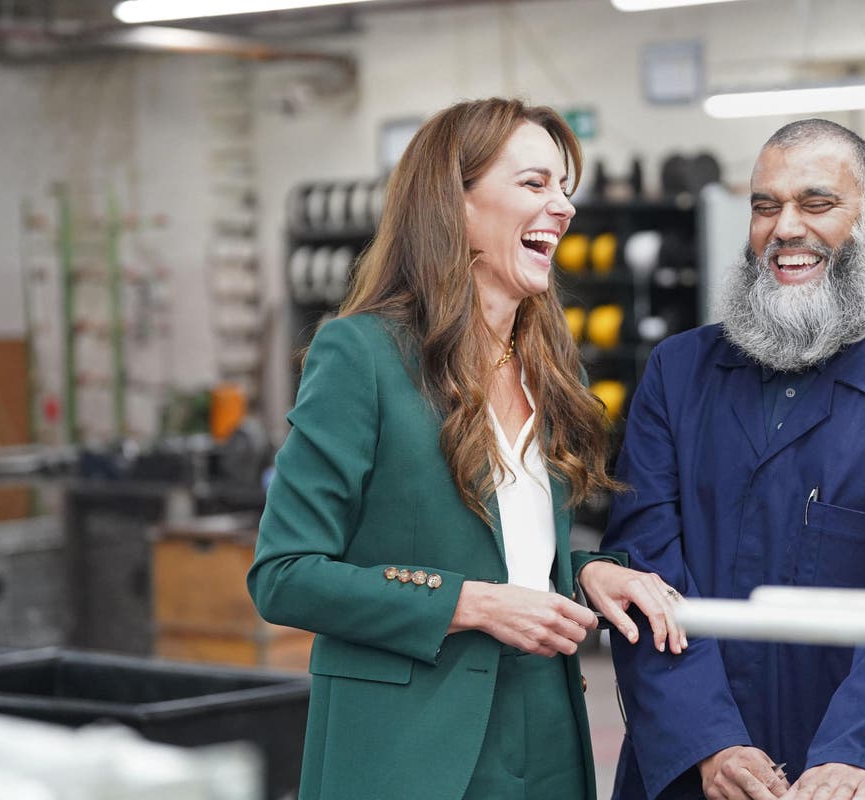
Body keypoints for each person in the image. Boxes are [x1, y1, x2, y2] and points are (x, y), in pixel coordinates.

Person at [247, 97, 683, 800]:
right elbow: (285, 573)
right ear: (456, 204)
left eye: (564, 187)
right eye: (535, 184)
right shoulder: (360, 354)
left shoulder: (552, 368)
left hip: (545, 727)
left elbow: (510, 545)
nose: (564, 207)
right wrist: (469, 604)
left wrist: (587, 572)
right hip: (407, 742)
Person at [598, 119, 865, 800]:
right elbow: (644, 569)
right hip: (683, 769)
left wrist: (854, 751)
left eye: (816, 204)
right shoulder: (678, 372)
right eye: (765, 206)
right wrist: (707, 740)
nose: (785, 228)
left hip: (844, 775)